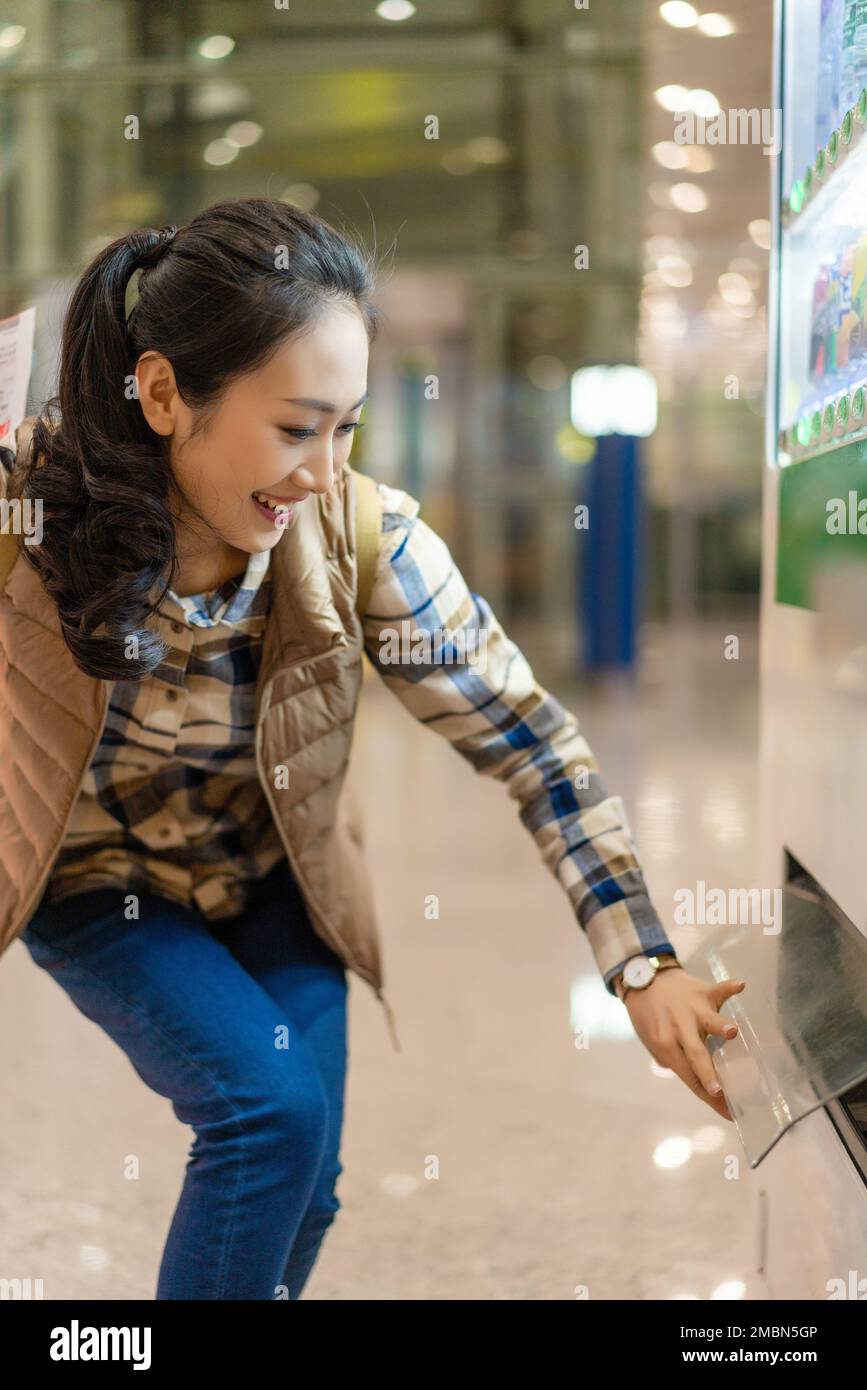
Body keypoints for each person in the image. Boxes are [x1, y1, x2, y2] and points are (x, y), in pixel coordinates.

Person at [0, 197, 745, 1300]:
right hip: (97, 886)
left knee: (306, 1176)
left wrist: (642, 960)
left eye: (345, 426)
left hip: (277, 881)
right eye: (296, 425)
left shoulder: (362, 537)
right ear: (162, 394)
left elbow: (532, 741)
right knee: (269, 1112)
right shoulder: (31, 520)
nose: (320, 467)